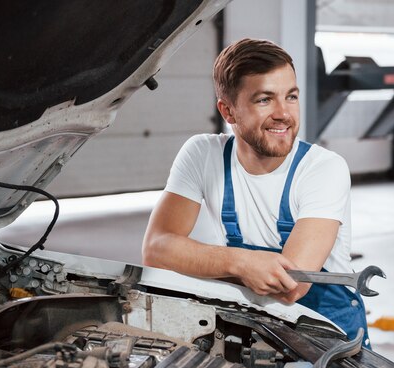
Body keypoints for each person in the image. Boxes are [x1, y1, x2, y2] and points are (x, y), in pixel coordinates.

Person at [142, 38, 370, 348]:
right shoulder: (202, 154)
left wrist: (199, 262)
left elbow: (292, 286)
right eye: (265, 99)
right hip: (251, 327)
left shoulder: (323, 168)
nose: (283, 114)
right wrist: (240, 263)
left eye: (291, 96)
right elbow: (156, 250)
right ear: (229, 111)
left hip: (328, 337)